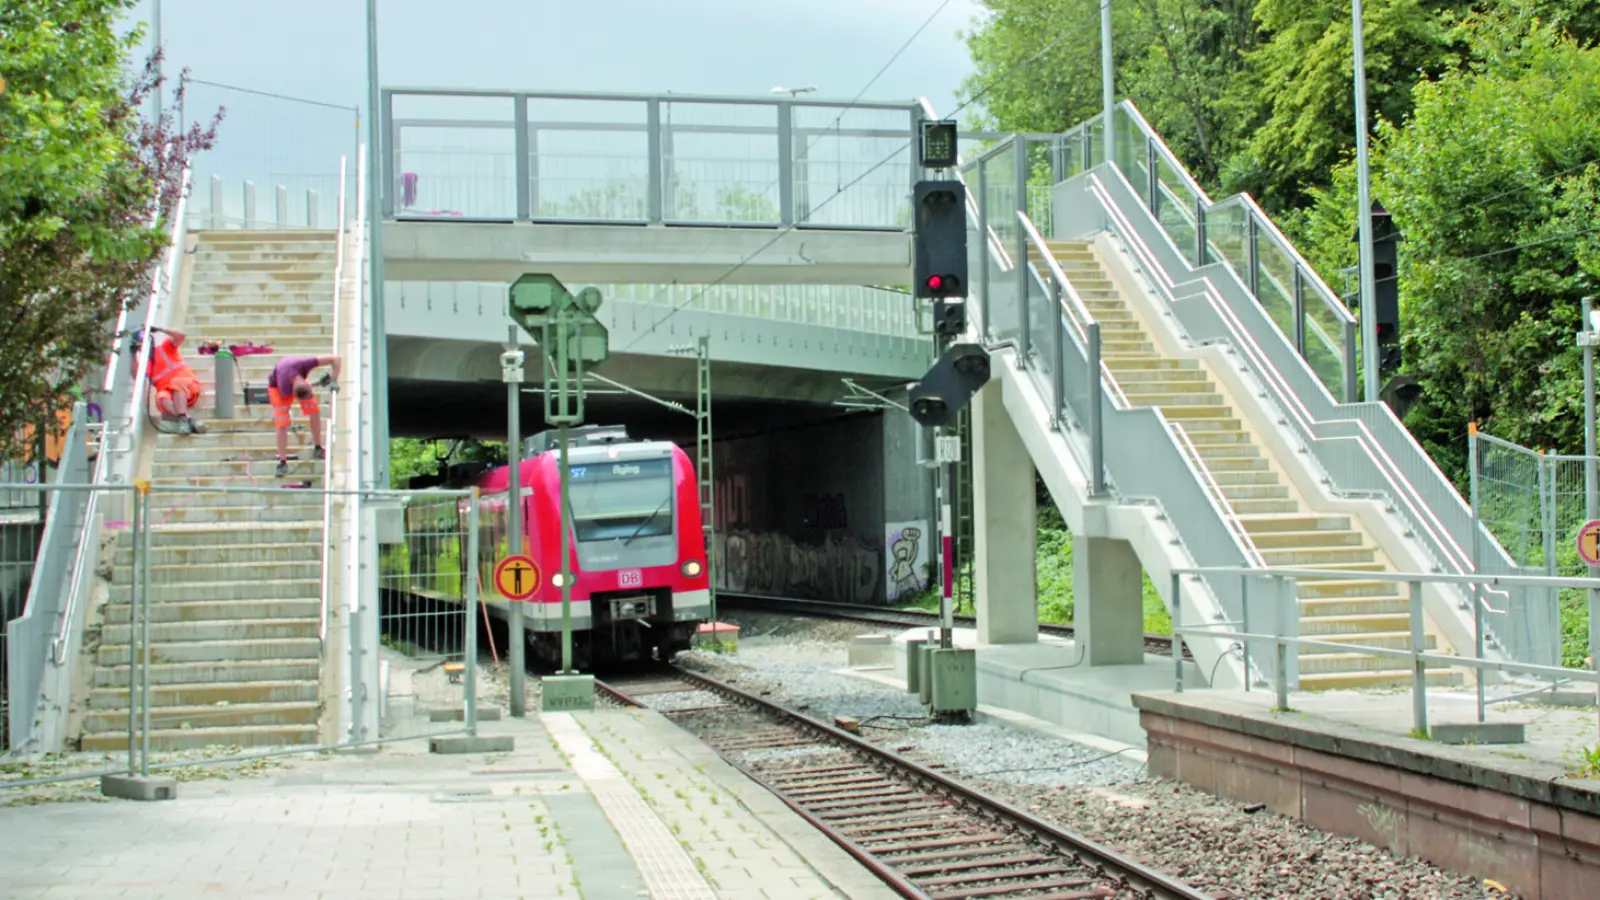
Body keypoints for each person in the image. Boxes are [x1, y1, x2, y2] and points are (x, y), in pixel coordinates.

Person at [269, 354, 341, 477]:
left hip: (295, 375)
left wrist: (334, 380)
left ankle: (318, 447)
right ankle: (282, 461)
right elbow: (292, 394)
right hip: (277, 388)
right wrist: (317, 384)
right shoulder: (284, 386)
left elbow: (336, 359)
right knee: (282, 423)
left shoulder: (307, 363)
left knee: (314, 410)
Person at [132, 326, 204, 435]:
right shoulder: (145, 364)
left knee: (176, 384)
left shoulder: (165, 347)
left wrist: (161, 329)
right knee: (161, 396)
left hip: (187, 386)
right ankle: (188, 420)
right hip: (169, 392)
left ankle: (184, 420)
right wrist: (132, 355)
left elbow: (181, 336)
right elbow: (136, 376)